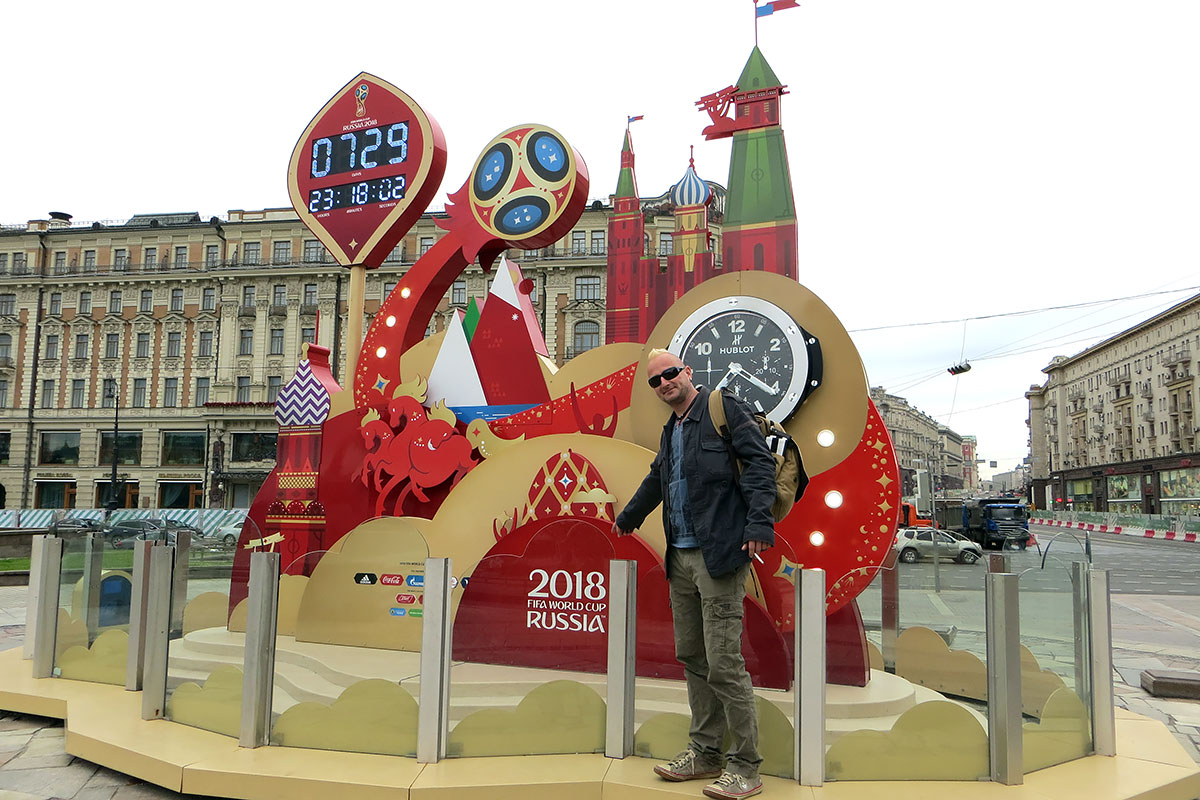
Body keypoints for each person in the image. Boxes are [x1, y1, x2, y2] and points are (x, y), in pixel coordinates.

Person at [612, 348, 776, 800]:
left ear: (687, 371)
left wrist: (759, 524)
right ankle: (705, 753)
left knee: (723, 662)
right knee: (693, 656)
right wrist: (629, 517)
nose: (664, 383)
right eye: (655, 380)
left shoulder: (723, 408)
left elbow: (760, 464)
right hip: (680, 558)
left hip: (719, 555)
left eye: (669, 373)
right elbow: (657, 479)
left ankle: (745, 766)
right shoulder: (672, 430)